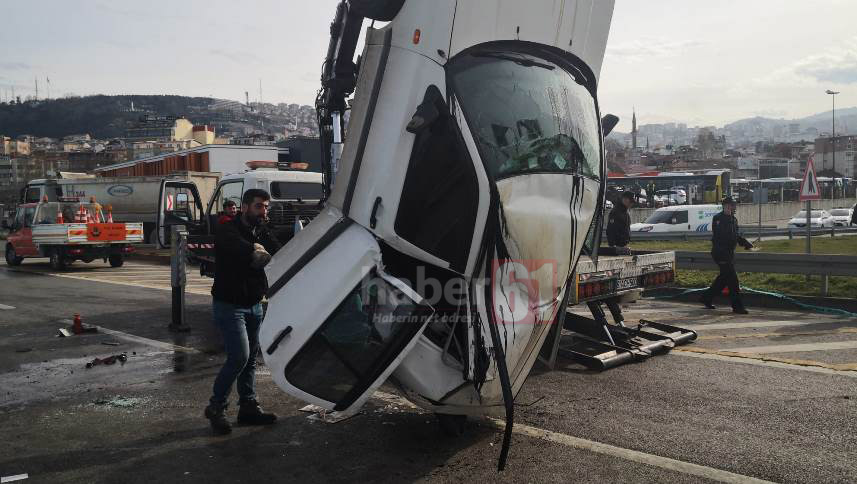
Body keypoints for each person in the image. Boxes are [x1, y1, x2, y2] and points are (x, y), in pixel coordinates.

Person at [205, 189, 282, 435]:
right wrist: (254, 248)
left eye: (266, 207)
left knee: (249, 360)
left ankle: (248, 406)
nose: (263, 211)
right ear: (245, 207)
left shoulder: (262, 231)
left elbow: (278, 251)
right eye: (259, 206)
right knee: (239, 356)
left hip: (254, 304)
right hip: (230, 305)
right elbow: (240, 248)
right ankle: (216, 406)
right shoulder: (228, 230)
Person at [701, 196, 753, 314]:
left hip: (729, 253)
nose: (733, 207)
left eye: (734, 205)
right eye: (731, 205)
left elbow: (736, 235)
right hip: (720, 253)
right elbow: (722, 235)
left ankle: (706, 298)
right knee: (733, 280)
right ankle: (737, 307)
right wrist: (729, 218)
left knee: (723, 279)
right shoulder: (718, 219)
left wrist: (745, 243)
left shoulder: (734, 219)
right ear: (725, 206)